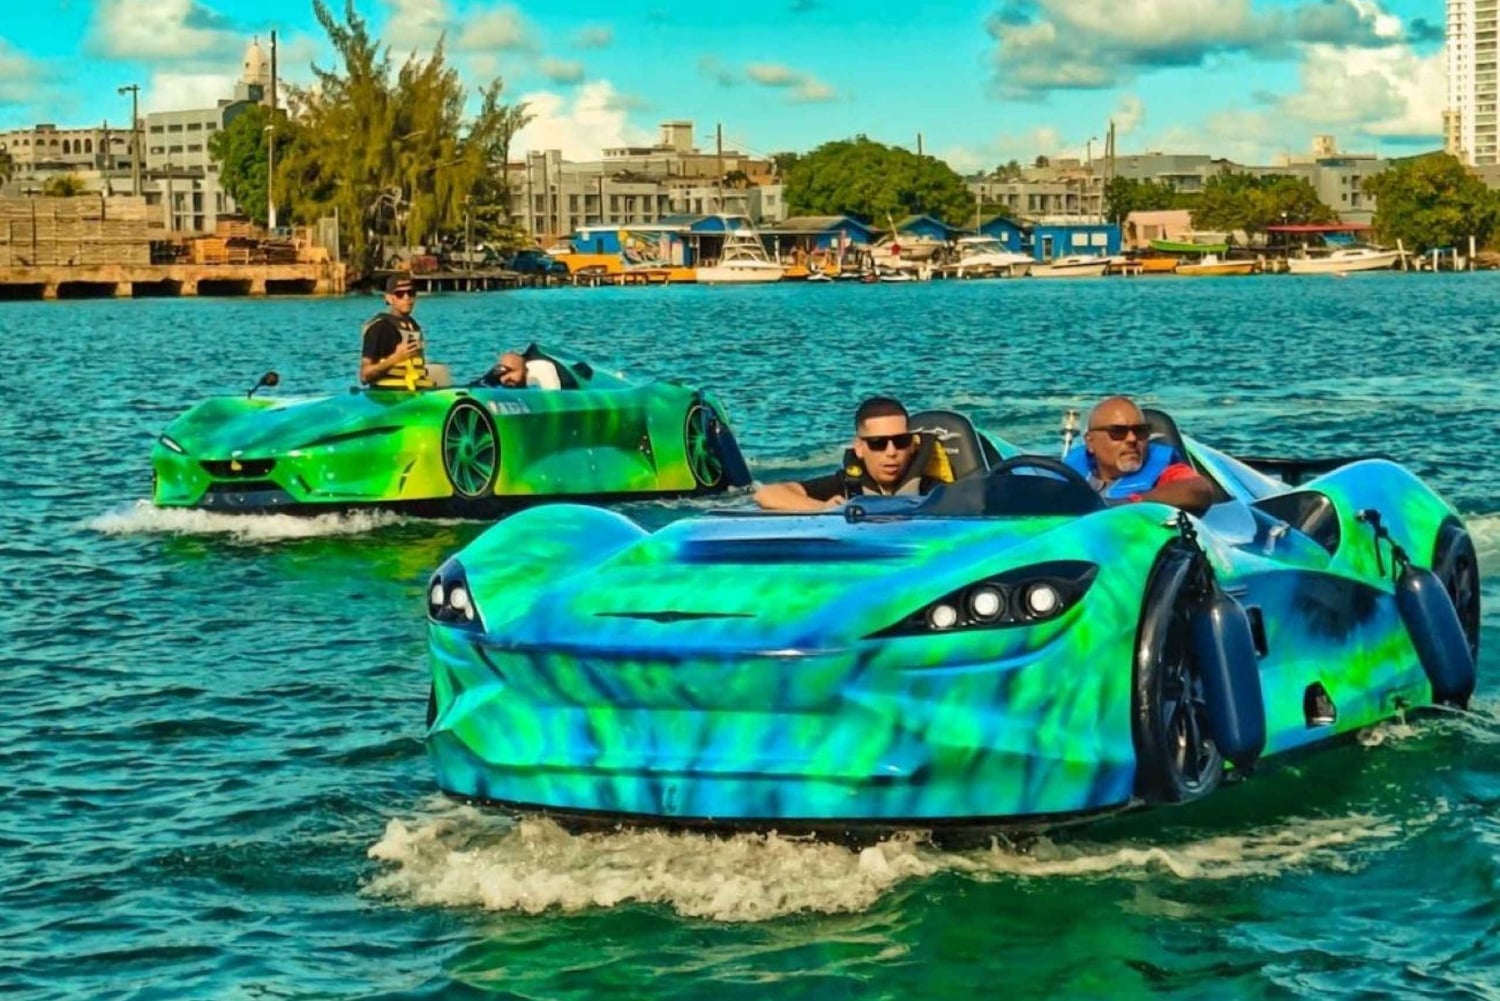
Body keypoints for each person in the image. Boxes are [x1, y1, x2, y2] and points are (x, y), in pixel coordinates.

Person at [754, 396, 939, 512]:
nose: (891, 452)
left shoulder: (934, 488)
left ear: (912, 445)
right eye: (878, 443)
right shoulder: (845, 486)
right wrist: (823, 508)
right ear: (859, 447)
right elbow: (766, 494)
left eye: (901, 441)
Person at [1067, 395, 1215, 514]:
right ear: (1090, 442)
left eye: (1140, 431)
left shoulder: (1163, 470)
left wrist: (1134, 502)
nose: (1132, 439)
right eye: (1118, 432)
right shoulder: (1069, 470)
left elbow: (1198, 489)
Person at [359, 274, 429, 389]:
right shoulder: (379, 328)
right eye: (400, 294)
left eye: (411, 293)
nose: (406, 298)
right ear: (389, 298)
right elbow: (364, 376)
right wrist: (395, 359)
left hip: (414, 392)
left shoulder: (413, 326)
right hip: (387, 395)